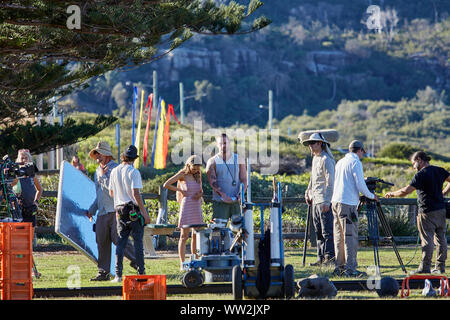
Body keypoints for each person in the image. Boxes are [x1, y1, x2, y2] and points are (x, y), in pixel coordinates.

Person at [385, 151, 450, 274]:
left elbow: (406, 191)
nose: (413, 166)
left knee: (427, 240)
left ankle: (425, 267)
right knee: (441, 239)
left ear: (419, 160)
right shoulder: (439, 170)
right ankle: (440, 267)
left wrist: (392, 193)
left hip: (426, 211)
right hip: (441, 210)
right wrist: (444, 193)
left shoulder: (420, 175)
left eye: (413, 163)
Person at [85, 141, 138, 281]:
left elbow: (112, 192)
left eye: (99, 153)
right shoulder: (98, 171)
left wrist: (103, 176)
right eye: (96, 153)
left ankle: (137, 262)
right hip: (102, 213)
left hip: (115, 211)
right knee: (101, 242)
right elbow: (99, 194)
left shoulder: (116, 169)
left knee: (120, 240)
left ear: (107, 155)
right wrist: (92, 210)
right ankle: (103, 273)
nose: (97, 156)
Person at [331, 140, 379, 277]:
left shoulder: (340, 162)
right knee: (350, 236)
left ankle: (339, 267)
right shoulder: (356, 162)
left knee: (339, 237)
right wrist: (371, 195)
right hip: (347, 204)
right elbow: (360, 184)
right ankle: (350, 268)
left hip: (336, 201)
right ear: (360, 150)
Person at [108, 145, 151, 282]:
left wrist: (117, 206)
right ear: (134, 158)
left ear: (123, 157)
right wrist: (145, 213)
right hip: (133, 209)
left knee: (121, 243)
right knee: (138, 242)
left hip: (119, 209)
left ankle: (118, 274)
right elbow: (136, 194)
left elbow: (111, 192)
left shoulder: (114, 171)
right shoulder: (134, 172)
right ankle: (141, 272)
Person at [163, 155, 204, 270]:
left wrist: (200, 195)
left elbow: (201, 190)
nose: (196, 170)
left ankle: (195, 261)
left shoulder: (198, 175)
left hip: (196, 206)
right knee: (184, 236)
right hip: (186, 206)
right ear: (188, 165)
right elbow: (166, 184)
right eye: (194, 168)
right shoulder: (182, 175)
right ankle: (183, 263)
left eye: (197, 168)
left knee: (196, 235)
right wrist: (180, 190)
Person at [302, 133, 336, 267]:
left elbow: (330, 181)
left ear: (320, 143)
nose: (310, 146)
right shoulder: (315, 159)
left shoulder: (326, 159)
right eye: (309, 143)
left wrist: (327, 201)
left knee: (327, 231)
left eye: (313, 143)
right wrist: (307, 192)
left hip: (323, 200)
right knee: (318, 231)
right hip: (315, 199)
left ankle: (329, 258)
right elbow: (312, 179)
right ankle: (320, 258)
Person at [206, 133, 247, 222]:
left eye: (225, 143)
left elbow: (244, 179)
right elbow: (213, 182)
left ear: (229, 143)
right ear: (217, 145)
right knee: (219, 229)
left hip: (236, 202)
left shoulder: (239, 159)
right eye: (221, 143)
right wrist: (223, 195)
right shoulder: (212, 161)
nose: (223, 145)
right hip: (220, 202)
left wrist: (240, 194)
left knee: (238, 230)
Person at [12, 149, 43, 228]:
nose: (24, 160)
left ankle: (33, 240)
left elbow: (39, 189)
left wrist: (36, 202)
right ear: (18, 160)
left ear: (29, 159)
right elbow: (8, 189)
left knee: (31, 232)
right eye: (22, 158)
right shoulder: (16, 175)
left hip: (30, 208)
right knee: (18, 232)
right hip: (18, 208)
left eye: (26, 158)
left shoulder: (32, 176)